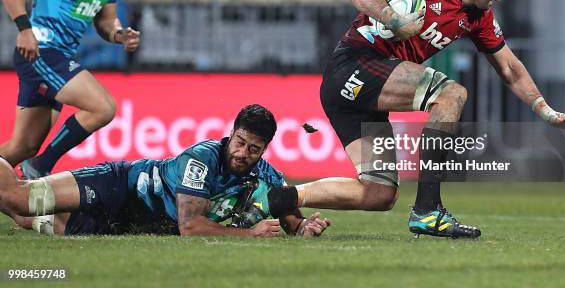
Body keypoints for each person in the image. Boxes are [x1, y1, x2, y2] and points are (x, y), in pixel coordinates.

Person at [266, 0, 565, 238]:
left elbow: (509, 67)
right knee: (451, 94)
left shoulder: (480, 18)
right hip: (354, 65)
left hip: (362, 92)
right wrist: (392, 18)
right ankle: (427, 209)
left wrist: (545, 111)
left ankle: (284, 196)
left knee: (379, 193)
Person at [0, 104, 331, 238]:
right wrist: (248, 234)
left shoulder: (269, 177)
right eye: (240, 142)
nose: (243, 153)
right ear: (231, 134)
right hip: (119, 186)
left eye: (253, 149)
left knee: (22, 217)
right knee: (21, 198)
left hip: (123, 224)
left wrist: (303, 228)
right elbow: (189, 226)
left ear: (265, 149)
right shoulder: (203, 158)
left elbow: (290, 220)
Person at [0, 0, 140, 179]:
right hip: (40, 51)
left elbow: (104, 21)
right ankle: (40, 167)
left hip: (58, 57)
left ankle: (31, 162)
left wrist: (118, 34)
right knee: (103, 107)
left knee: (22, 146)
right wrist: (24, 29)